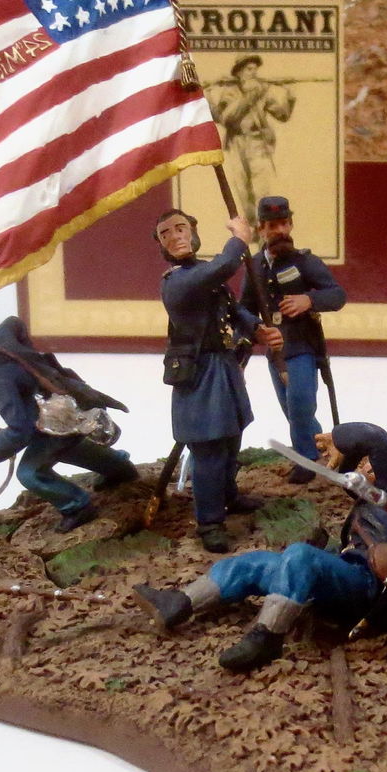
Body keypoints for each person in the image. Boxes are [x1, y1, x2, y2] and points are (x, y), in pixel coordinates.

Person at [133, 422, 387, 672]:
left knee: (300, 556)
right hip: (346, 574)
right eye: (362, 464)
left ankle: (267, 636)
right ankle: (180, 603)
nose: (363, 470)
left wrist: (338, 436)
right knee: (254, 563)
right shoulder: (367, 498)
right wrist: (344, 455)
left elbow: (375, 438)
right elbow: (348, 475)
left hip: (368, 587)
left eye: (370, 465)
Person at [0, 315, 137, 533]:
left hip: (64, 417)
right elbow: (12, 324)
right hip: (62, 412)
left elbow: (21, 430)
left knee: (30, 473)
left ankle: (77, 507)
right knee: (62, 448)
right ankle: (119, 468)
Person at [155, 208, 264, 553]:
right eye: (165, 233)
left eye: (180, 228)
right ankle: (210, 522)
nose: (175, 236)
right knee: (209, 450)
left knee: (232, 437)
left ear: (193, 231)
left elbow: (231, 308)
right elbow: (224, 266)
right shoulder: (177, 282)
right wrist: (239, 239)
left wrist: (257, 329)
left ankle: (229, 495)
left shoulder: (204, 275)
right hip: (199, 374)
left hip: (225, 366)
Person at [241, 195, 347, 480]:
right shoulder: (253, 266)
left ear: (290, 224)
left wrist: (308, 300)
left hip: (302, 345)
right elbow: (245, 309)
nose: (279, 230)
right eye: (272, 225)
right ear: (261, 229)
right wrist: (254, 333)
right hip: (275, 351)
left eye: (284, 224)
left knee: (301, 405)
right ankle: (322, 447)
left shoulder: (305, 262)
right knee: (292, 409)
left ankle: (307, 460)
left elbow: (337, 295)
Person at [204, 55, 296, 219]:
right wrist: (252, 95)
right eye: (249, 69)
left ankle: (263, 224)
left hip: (258, 142)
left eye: (255, 69)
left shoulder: (262, 91)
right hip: (236, 142)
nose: (254, 73)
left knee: (261, 188)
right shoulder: (230, 92)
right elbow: (228, 118)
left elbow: (283, 116)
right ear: (239, 73)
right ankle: (252, 224)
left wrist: (290, 97)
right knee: (242, 189)